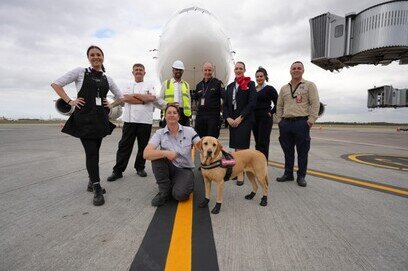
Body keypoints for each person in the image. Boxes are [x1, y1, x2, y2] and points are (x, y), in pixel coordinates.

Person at [51, 45, 123, 206]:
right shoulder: (80, 72)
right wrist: (70, 101)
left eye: (98, 54)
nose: (96, 57)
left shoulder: (107, 78)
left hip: (100, 120)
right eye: (93, 55)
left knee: (95, 152)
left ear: (103, 57)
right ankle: (96, 187)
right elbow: (56, 84)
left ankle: (92, 181)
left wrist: (111, 105)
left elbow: (121, 97)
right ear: (88, 57)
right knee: (91, 153)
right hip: (84, 119)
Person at [107, 63, 166, 182]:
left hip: (145, 121)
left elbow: (151, 98)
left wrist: (133, 97)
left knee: (143, 146)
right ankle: (118, 171)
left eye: (140, 70)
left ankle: (140, 168)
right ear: (133, 72)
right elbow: (124, 99)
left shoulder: (149, 85)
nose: (138, 71)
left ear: (144, 73)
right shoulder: (127, 85)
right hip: (129, 121)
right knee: (124, 146)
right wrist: (142, 100)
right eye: (136, 70)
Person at [143, 104, 200, 207]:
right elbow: (146, 154)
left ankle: (180, 182)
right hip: (168, 166)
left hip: (184, 169)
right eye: (169, 113)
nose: (172, 115)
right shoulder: (159, 133)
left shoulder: (189, 131)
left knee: (180, 195)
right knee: (156, 157)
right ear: (165, 116)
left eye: (174, 113)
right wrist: (165, 153)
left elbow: (201, 146)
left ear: (178, 116)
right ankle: (164, 191)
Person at [276, 61, 320, 187]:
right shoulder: (284, 88)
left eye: (298, 68)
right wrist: (280, 121)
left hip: (301, 122)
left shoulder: (309, 85)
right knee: (287, 151)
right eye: (293, 68)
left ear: (303, 70)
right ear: (290, 71)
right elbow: (279, 105)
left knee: (302, 152)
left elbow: (315, 103)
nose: (296, 70)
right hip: (286, 123)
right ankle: (288, 173)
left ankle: (301, 176)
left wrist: (311, 120)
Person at [223, 61, 257, 186]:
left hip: (244, 120)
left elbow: (252, 102)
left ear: (244, 69)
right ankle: (237, 170)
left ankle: (240, 173)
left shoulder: (250, 83)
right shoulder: (230, 86)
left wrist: (240, 118)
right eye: (236, 68)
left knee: (241, 147)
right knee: (235, 147)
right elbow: (226, 105)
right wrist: (227, 118)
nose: (238, 70)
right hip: (232, 121)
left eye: (241, 68)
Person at [252, 67, 278, 159]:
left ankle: (263, 166)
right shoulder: (253, 89)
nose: (259, 78)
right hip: (255, 118)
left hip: (265, 118)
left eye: (261, 76)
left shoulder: (269, 89)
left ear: (265, 76)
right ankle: (258, 164)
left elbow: (278, 103)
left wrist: (271, 112)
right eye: (257, 76)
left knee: (263, 143)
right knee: (257, 143)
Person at [194, 62, 225, 138]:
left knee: (212, 140)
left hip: (213, 117)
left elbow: (225, 97)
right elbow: (195, 98)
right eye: (205, 70)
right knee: (201, 141)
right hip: (200, 117)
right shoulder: (199, 85)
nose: (207, 72)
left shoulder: (218, 83)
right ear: (202, 71)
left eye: (209, 70)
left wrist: (222, 109)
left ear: (213, 71)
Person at [158, 60, 192, 126]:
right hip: (170, 112)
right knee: (168, 135)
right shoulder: (166, 83)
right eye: (176, 69)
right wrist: (167, 104)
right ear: (173, 70)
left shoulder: (186, 85)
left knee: (184, 135)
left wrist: (189, 113)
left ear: (183, 71)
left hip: (184, 115)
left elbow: (189, 101)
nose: (178, 71)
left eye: (180, 70)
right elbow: (159, 99)